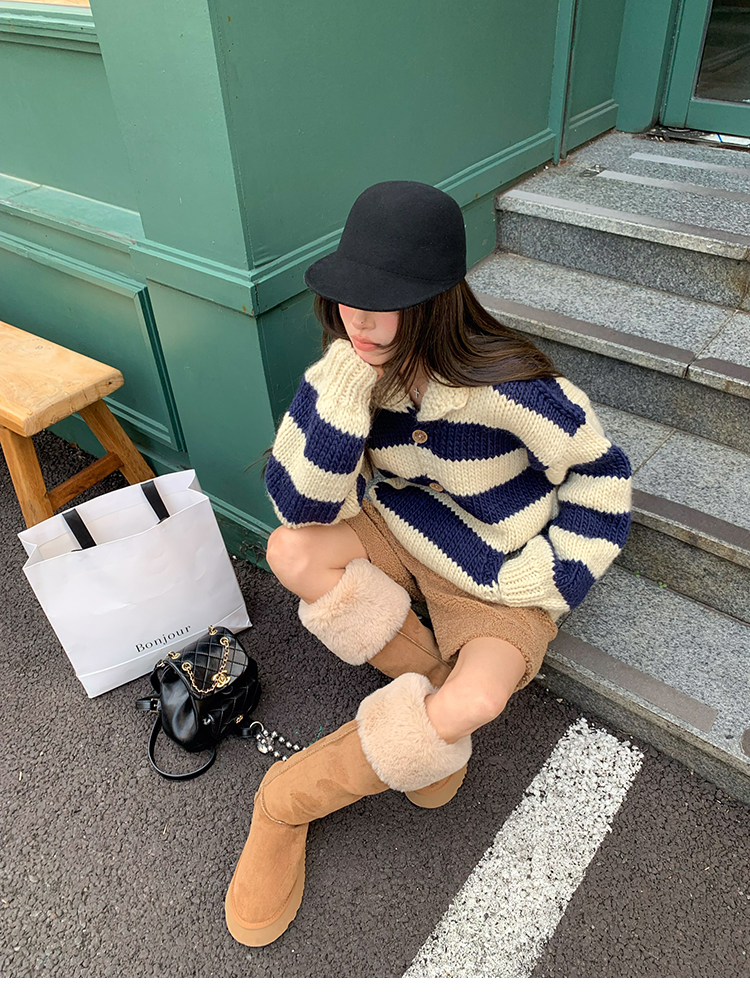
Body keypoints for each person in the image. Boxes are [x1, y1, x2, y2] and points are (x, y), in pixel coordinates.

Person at [224, 180, 632, 947]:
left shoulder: (515, 388)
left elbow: (602, 478)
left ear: (437, 302)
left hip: (499, 574)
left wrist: (552, 573)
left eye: (385, 300)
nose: (359, 318)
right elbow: (302, 507)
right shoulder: (345, 372)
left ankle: (286, 799)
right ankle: (410, 718)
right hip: (397, 529)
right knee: (290, 550)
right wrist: (343, 401)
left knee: (476, 701)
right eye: (350, 295)